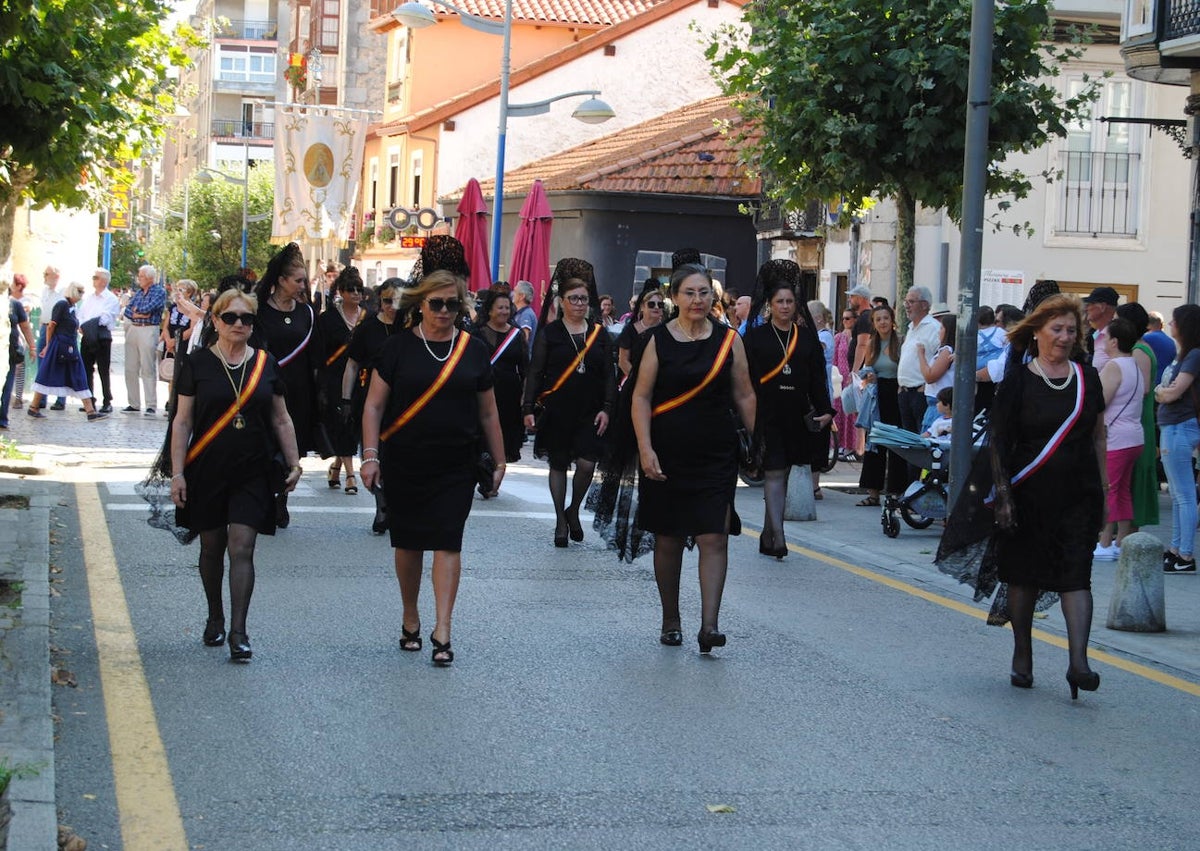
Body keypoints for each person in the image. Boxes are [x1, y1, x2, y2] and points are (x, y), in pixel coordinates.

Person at [937, 294, 1105, 699]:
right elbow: (999, 441)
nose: (1065, 337)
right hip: (1028, 494)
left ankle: (1078, 663)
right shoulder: (1018, 380)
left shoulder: (1087, 378)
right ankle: (1022, 653)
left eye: (1071, 330)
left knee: (1076, 576)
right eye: (1057, 329)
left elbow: (1099, 436)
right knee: (1024, 577)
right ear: (1037, 332)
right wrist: (1005, 496)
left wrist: (1104, 490)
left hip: (1078, 494)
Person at [359, 269, 506, 667]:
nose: (444, 311)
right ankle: (411, 615)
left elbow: (488, 412)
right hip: (405, 459)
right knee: (407, 543)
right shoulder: (397, 350)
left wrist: (500, 458)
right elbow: (373, 405)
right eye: (436, 303)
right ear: (420, 304)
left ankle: (443, 627)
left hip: (456, 462)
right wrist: (370, 456)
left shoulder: (473, 350)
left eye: (452, 304)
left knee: (448, 540)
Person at [168, 289, 303, 661]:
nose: (239, 324)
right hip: (206, 469)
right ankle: (215, 615)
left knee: (242, 547)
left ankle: (239, 632)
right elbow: (182, 422)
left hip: (253, 470)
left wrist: (294, 463)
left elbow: (281, 417)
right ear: (215, 321)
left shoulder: (265, 363)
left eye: (246, 318)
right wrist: (177, 473)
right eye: (230, 318)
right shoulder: (196, 364)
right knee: (211, 548)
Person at [631, 263, 756, 652]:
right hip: (667, 452)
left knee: (713, 536)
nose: (697, 300)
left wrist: (759, 442)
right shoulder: (657, 340)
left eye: (704, 292)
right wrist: (646, 448)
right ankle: (671, 618)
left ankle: (710, 625)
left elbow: (745, 394)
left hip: (716, 453)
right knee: (668, 539)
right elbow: (640, 397)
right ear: (675, 297)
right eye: (689, 292)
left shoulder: (728, 340)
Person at [522, 259, 617, 547]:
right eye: (573, 298)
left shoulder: (599, 334)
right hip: (558, 409)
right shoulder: (550, 334)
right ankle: (560, 522)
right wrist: (528, 408)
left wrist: (608, 407)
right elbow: (535, 372)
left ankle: (573, 509)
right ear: (561, 301)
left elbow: (609, 375)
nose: (579, 304)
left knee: (588, 464)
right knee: (559, 464)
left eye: (584, 299)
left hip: (590, 410)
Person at [746, 264, 832, 557]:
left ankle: (768, 533)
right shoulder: (756, 338)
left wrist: (826, 410)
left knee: (783, 472)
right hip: (765, 414)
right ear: (769, 305)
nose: (785, 306)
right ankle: (779, 536)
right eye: (779, 301)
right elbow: (743, 379)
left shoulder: (807, 338)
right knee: (773, 471)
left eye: (790, 301)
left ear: (797, 306)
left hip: (795, 415)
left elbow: (818, 378)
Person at [252, 243, 323, 528]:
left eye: (304, 280)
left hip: (298, 391)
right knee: (266, 444)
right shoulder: (259, 312)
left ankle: (282, 498)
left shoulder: (307, 312)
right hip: (267, 387)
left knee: (290, 446)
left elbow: (315, 355)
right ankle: (266, 496)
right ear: (281, 280)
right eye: (298, 280)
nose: (303, 285)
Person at [343, 279, 403, 535]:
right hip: (372, 398)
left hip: (403, 400)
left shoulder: (411, 328)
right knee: (372, 450)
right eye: (388, 301)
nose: (392, 307)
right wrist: (345, 399)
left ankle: (393, 498)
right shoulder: (368, 328)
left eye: (398, 301)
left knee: (397, 454)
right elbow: (352, 365)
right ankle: (381, 502)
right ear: (380, 300)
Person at [1093, 317, 1145, 561]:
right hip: (1134, 435)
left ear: (1114, 341)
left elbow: (1100, 401)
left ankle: (1104, 541)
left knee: (1109, 488)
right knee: (1123, 489)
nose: (1102, 340)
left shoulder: (1114, 366)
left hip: (1115, 437)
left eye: (1105, 337)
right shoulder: (1133, 363)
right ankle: (1122, 540)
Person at [1154, 303, 1200, 574]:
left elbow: (1172, 392)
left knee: (1183, 496)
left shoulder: (1194, 354)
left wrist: (1162, 392)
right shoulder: (1185, 354)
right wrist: (1163, 391)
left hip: (1180, 427)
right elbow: (1166, 390)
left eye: (1174, 320)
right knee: (1178, 495)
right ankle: (1175, 550)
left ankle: (1185, 554)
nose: (1171, 324)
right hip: (1174, 427)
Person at [26, 282, 108, 421]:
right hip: (58, 345)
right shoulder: (62, 305)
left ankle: (90, 411)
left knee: (79, 375)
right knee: (46, 374)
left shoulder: (72, 307)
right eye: (80, 291)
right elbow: (51, 326)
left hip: (70, 345)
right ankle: (34, 406)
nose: (82, 295)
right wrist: (48, 346)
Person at [318, 267, 366, 494]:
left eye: (359, 289)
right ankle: (350, 475)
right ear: (341, 291)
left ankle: (337, 466)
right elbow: (320, 351)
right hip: (335, 378)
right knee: (341, 422)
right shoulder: (327, 319)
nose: (356, 293)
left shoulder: (369, 317)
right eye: (350, 289)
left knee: (353, 424)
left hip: (362, 379)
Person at [1116, 302, 1160, 533]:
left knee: (1134, 475)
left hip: (1139, 417)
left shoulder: (1139, 350)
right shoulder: (1140, 347)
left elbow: (1142, 387)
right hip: (1137, 416)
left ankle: (1128, 532)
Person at [855, 305, 906, 506]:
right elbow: (867, 369)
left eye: (886, 318)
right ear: (874, 323)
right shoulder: (872, 343)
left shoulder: (900, 341)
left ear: (892, 320)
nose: (883, 322)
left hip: (896, 392)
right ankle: (873, 492)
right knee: (874, 443)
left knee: (895, 443)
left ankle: (895, 491)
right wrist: (868, 376)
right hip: (877, 395)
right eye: (879, 319)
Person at [471, 286, 528, 464]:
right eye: (500, 307)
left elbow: (525, 367)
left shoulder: (516, 335)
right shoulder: (476, 333)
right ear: (489, 310)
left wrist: (526, 398)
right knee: (480, 437)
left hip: (509, 396)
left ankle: (495, 476)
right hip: (481, 393)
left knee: (504, 438)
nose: (504, 311)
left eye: (506, 307)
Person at [896, 286, 941, 480]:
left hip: (921, 392)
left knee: (921, 443)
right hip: (905, 392)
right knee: (909, 443)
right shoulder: (911, 327)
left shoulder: (933, 328)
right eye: (906, 301)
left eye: (911, 301)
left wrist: (925, 384)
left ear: (924, 305)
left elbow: (940, 358)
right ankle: (910, 487)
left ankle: (920, 487)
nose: (907, 305)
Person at [121, 264, 166, 415]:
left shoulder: (159, 292)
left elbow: (149, 309)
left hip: (148, 329)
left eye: (141, 276)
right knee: (130, 368)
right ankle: (133, 403)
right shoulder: (138, 293)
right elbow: (128, 310)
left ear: (149, 278)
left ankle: (151, 404)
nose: (138, 279)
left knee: (147, 367)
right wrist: (139, 314)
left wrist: (138, 312)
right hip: (133, 329)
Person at [76, 268, 121, 414]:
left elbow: (105, 319)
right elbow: (81, 315)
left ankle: (107, 400)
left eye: (96, 277)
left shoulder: (111, 299)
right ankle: (89, 401)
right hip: (88, 335)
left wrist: (87, 323)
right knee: (86, 369)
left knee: (103, 369)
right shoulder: (89, 298)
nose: (93, 280)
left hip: (101, 336)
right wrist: (83, 325)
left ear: (104, 281)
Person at [1, 276, 36, 429]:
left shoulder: (14, 305)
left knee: (8, 384)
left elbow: (25, 327)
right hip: (8, 346)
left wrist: (32, 346)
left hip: (10, 349)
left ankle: (2, 418)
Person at [616, 280, 665, 379]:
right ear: (642, 307)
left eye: (660, 305)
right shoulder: (630, 330)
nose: (656, 307)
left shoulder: (667, 330)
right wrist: (640, 380)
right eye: (651, 304)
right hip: (633, 381)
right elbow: (623, 361)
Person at [916, 312, 955, 432]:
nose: (939, 331)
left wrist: (921, 355)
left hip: (938, 404)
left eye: (942, 328)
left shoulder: (947, 351)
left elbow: (930, 376)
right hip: (933, 403)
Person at [832, 305, 859, 460]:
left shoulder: (858, 338)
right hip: (841, 380)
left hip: (854, 380)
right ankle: (840, 445)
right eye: (843, 319)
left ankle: (852, 447)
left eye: (848, 318)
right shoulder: (839, 337)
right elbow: (834, 360)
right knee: (840, 413)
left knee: (853, 414)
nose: (845, 321)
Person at [37, 266, 66, 410]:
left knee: (59, 363)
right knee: (42, 362)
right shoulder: (45, 290)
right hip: (44, 327)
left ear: (56, 275)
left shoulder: (63, 291)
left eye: (46, 274)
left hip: (57, 329)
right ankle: (41, 398)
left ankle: (61, 399)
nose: (44, 276)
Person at [1084, 286, 1119, 372]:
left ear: (1102, 307)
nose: (1086, 308)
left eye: (1090, 304)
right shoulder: (1098, 334)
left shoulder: (1116, 336)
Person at [1144, 310, 1176, 385]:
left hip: (1153, 382)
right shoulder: (1170, 341)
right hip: (1166, 380)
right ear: (1162, 325)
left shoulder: (1146, 339)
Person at [847, 284, 875, 371]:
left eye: (852, 297)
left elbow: (862, 345)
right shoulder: (866, 316)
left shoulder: (865, 317)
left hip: (861, 370)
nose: (849, 300)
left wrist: (855, 371)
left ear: (860, 298)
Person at [511, 280, 538, 356]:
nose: (513, 294)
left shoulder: (526, 314)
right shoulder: (520, 313)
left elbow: (524, 339)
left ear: (522, 296)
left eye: (515, 291)